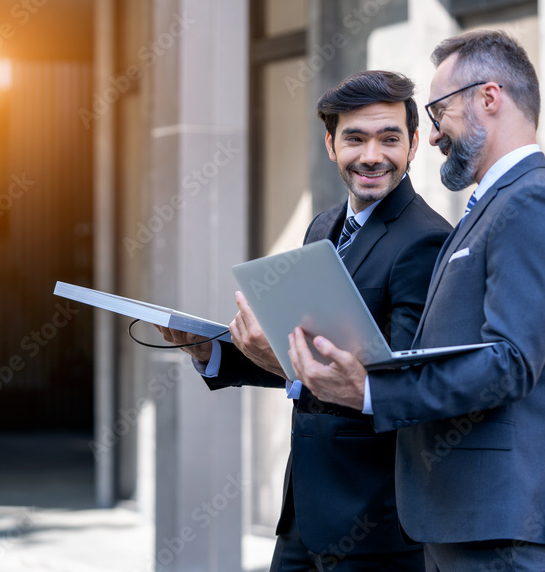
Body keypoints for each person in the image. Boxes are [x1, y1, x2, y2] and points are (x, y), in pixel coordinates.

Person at [287, 30, 545, 572]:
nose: (432, 138)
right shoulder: (492, 207)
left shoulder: (535, 203)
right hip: (458, 519)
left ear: (488, 98)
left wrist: (372, 392)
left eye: (439, 112)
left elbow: (511, 361)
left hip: (495, 525)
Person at [157, 69, 451, 572]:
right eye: (354, 139)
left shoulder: (425, 239)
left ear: (415, 143)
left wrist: (290, 363)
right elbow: (294, 346)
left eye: (389, 138)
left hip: (376, 523)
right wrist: (215, 353)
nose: (372, 156)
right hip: (304, 514)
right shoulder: (323, 227)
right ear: (331, 145)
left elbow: (394, 384)